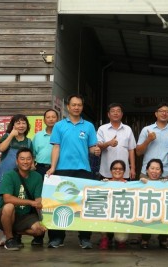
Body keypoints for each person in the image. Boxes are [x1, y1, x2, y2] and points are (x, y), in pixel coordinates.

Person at [45, 95, 100, 249]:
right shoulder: (59, 126)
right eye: (74, 105)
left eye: (79, 105)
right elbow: (56, 147)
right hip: (63, 169)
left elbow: (91, 148)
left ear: (82, 107)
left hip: (84, 169)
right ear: (68, 106)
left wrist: (95, 150)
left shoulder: (89, 126)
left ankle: (84, 238)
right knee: (59, 203)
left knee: (84, 205)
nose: (76, 107)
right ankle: (57, 238)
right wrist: (53, 167)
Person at [0, 148, 47, 250]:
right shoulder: (9, 175)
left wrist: (44, 218)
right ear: (17, 161)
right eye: (22, 159)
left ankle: (13, 232)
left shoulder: (37, 177)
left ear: (33, 160)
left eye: (28, 159)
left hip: (26, 215)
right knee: (9, 206)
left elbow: (38, 199)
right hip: (5, 214)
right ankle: (9, 239)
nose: (25, 162)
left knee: (39, 231)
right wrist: (31, 202)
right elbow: (7, 198)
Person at [30, 108, 58, 245]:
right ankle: (38, 235)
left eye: (54, 117)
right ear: (44, 119)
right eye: (48, 117)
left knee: (53, 203)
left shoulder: (61, 135)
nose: (51, 119)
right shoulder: (38, 136)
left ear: (57, 119)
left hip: (56, 171)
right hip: (40, 170)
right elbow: (33, 154)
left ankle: (54, 237)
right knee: (39, 203)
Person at [0, 114, 32, 207]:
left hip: (21, 177)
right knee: (1, 200)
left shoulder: (29, 142)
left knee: (18, 201)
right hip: (5, 175)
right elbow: (1, 149)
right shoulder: (7, 136)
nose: (21, 125)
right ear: (13, 125)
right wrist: (11, 135)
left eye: (24, 123)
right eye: (18, 123)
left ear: (27, 126)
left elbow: (31, 159)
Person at [136, 102, 168, 179]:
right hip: (147, 173)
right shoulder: (146, 129)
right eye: (161, 111)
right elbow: (138, 152)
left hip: (166, 173)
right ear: (156, 114)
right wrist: (148, 140)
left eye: (167, 111)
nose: (164, 113)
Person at [97, 102, 137, 180]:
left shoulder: (128, 129)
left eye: (118, 111)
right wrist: (108, 143)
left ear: (122, 114)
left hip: (124, 171)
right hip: (106, 171)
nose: (115, 113)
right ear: (108, 114)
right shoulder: (102, 129)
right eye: (113, 111)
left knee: (124, 192)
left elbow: (131, 150)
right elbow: (98, 146)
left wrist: (133, 168)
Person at [139, 159, 168, 249]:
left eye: (157, 169)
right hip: (146, 210)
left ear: (161, 171)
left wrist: (166, 185)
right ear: (147, 170)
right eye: (152, 168)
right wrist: (140, 183)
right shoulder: (142, 182)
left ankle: (163, 240)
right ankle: (145, 239)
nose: (154, 171)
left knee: (166, 215)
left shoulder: (164, 182)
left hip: (160, 210)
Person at [98, 160, 130, 250]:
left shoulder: (130, 185)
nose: (117, 171)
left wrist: (144, 182)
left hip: (122, 215)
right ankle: (104, 238)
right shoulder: (105, 183)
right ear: (111, 170)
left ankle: (120, 241)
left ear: (124, 171)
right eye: (115, 169)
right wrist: (102, 185)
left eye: (120, 169)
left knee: (121, 238)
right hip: (107, 214)